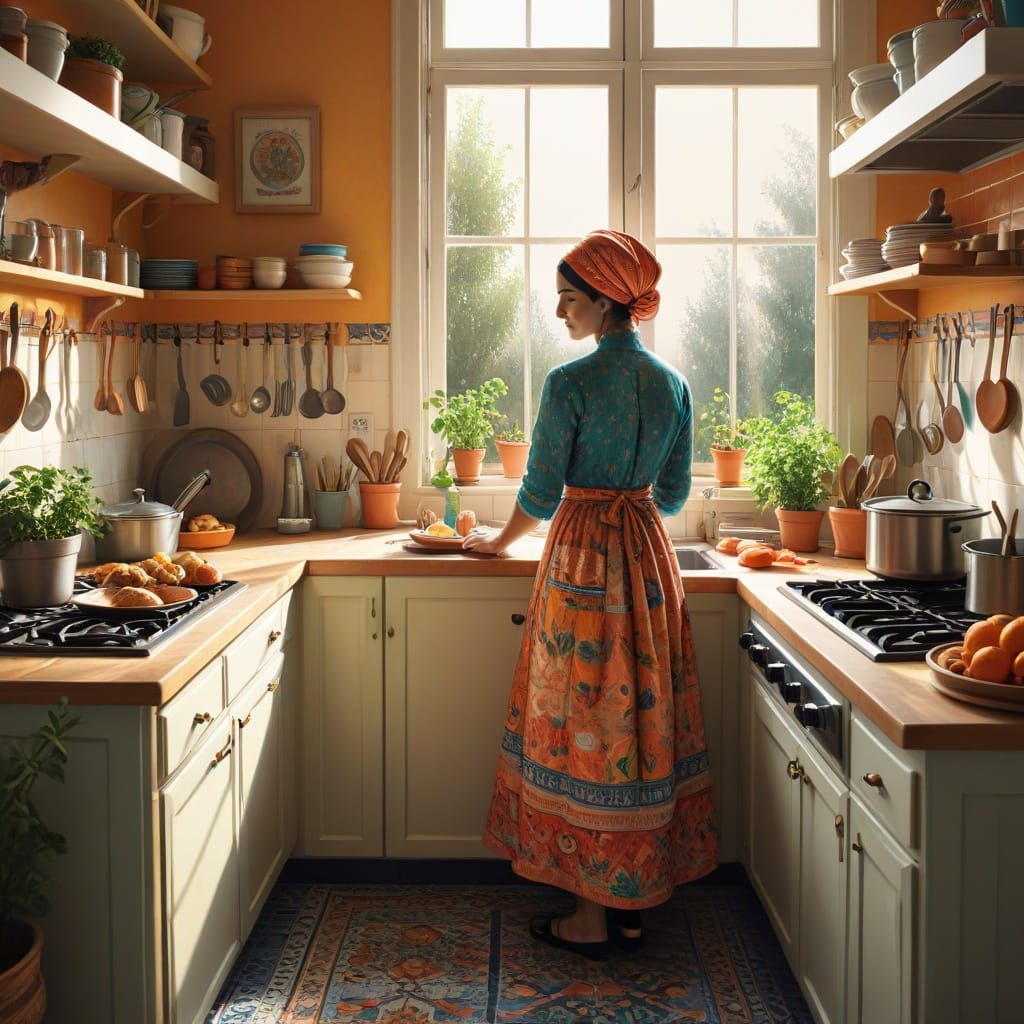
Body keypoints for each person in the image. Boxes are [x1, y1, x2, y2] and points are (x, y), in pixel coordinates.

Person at [462, 229, 719, 960]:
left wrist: (500, 541)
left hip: (581, 561)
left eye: (569, 298)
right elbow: (671, 494)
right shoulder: (673, 384)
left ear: (606, 301)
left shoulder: (568, 385)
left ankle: (588, 918)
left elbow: (541, 491)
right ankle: (632, 899)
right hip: (646, 564)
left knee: (582, 731)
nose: (557, 310)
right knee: (637, 730)